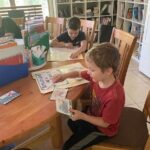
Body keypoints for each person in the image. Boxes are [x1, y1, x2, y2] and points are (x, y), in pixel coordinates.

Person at [52, 42, 125, 150]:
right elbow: (78, 73)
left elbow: (105, 123)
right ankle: (83, 137)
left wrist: (83, 116)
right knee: (70, 121)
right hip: (93, 113)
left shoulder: (115, 97)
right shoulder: (97, 77)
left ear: (108, 71)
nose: (89, 72)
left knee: (67, 147)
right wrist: (64, 76)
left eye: (92, 69)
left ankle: (86, 139)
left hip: (102, 130)